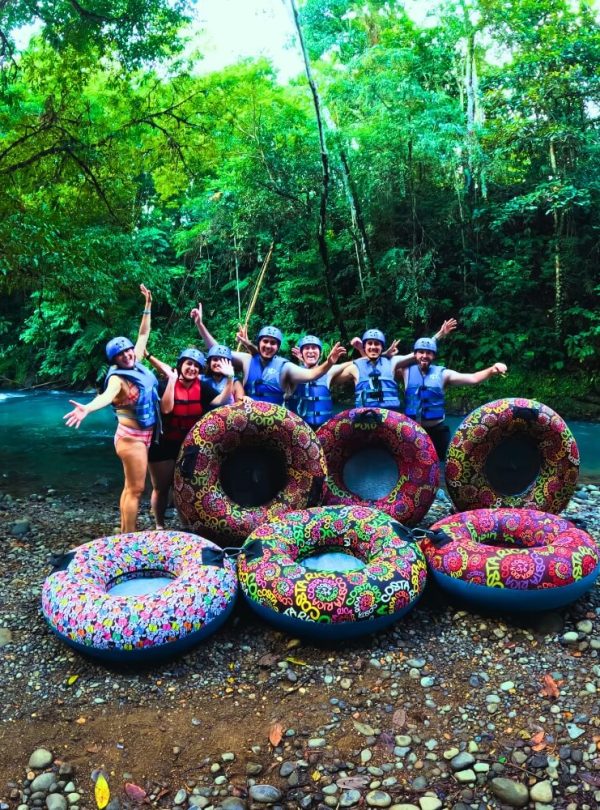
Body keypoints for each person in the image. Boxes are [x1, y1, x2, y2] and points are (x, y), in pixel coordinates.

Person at [63, 284, 159, 533]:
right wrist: (87, 409)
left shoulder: (135, 361)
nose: (127, 355)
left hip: (145, 435)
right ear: (114, 360)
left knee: (131, 487)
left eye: (127, 351)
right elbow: (106, 396)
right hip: (130, 439)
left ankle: (126, 531)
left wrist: (147, 306)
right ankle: (128, 536)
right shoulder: (118, 378)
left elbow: (143, 335)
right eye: (121, 354)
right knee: (136, 489)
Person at [146, 347, 235, 529]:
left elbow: (220, 402)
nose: (192, 368)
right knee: (161, 488)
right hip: (162, 445)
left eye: (196, 366)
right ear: (180, 365)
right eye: (188, 364)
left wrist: (231, 378)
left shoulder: (202, 387)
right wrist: (172, 380)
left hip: (187, 446)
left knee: (183, 488)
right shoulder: (164, 384)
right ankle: (159, 525)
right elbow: (166, 409)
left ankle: (185, 525)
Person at [190, 303, 347, 405]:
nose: (268, 346)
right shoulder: (247, 360)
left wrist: (329, 362)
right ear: (259, 343)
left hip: (274, 419)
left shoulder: (285, 367)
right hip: (247, 415)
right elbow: (218, 351)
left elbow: (312, 374)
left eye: (273, 343)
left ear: (277, 348)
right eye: (265, 341)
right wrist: (200, 324)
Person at [402, 337, 507, 460]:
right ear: (414, 354)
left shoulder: (444, 374)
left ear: (434, 356)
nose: (424, 356)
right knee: (411, 463)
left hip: (437, 431)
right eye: (421, 352)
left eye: (429, 353)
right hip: (412, 430)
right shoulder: (404, 371)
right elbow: (384, 363)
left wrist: (492, 369)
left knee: (444, 465)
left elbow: (473, 378)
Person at [330, 320, 456, 412]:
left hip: (390, 418)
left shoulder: (393, 362)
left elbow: (419, 353)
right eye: (370, 343)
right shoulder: (354, 367)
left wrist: (439, 334)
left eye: (377, 344)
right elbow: (331, 378)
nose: (373, 346)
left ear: (382, 347)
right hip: (364, 418)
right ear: (364, 346)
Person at [287, 335, 352, 428]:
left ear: (320, 353)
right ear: (301, 354)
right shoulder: (292, 372)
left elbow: (350, 365)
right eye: (306, 348)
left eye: (314, 348)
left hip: (324, 429)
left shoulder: (329, 372)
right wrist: (303, 363)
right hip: (300, 430)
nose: (310, 351)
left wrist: (364, 353)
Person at [202, 344, 245, 409]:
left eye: (223, 360)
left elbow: (240, 406)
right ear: (209, 362)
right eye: (215, 359)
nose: (218, 363)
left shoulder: (235, 383)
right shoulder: (201, 380)